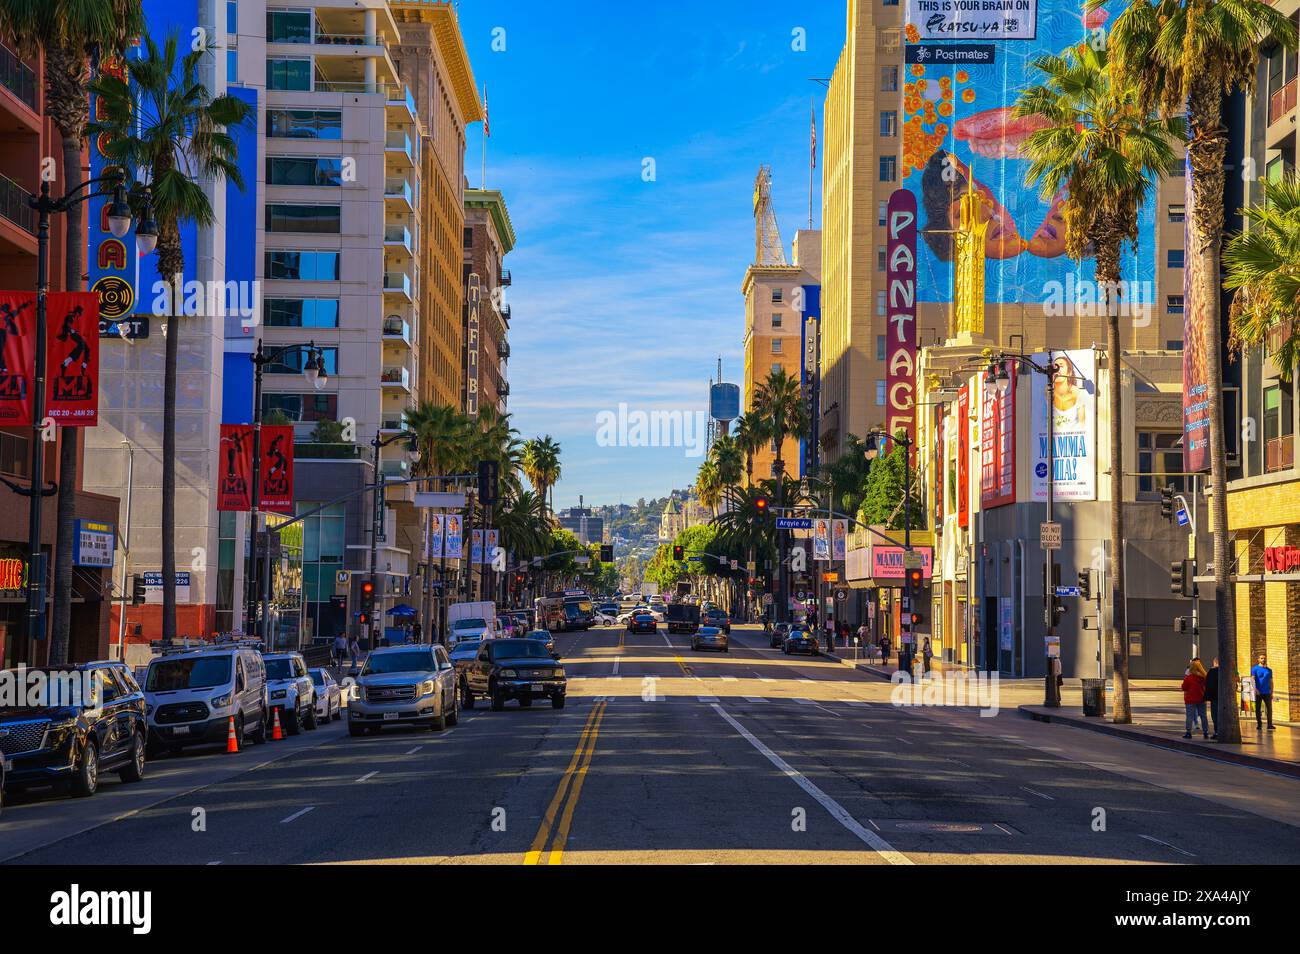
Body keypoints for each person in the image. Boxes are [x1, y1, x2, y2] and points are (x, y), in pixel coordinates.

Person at [1181, 658, 1209, 740]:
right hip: (1201, 698)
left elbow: (1184, 687)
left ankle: (1188, 732)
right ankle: (1205, 732)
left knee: (1189, 716)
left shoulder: (1189, 678)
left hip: (1190, 699)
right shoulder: (1204, 677)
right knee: (1203, 716)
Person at [1251, 653, 1276, 732]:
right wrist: (1256, 690)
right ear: (1258, 659)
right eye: (1261, 658)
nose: (1263, 660)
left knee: (1269, 709)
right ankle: (1259, 724)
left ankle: (1269, 724)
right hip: (1258, 692)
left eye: (1264, 658)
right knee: (1258, 709)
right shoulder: (1254, 669)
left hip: (1267, 692)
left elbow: (1271, 682)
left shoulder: (1269, 670)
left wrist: (1272, 692)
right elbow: (1252, 680)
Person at [1204, 656, 1220, 739]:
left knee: (1215, 714)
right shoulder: (1226, 671)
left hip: (1214, 697)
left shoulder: (1212, 671)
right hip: (1222, 697)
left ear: (1215, 663)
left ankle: (1217, 732)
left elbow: (1208, 684)